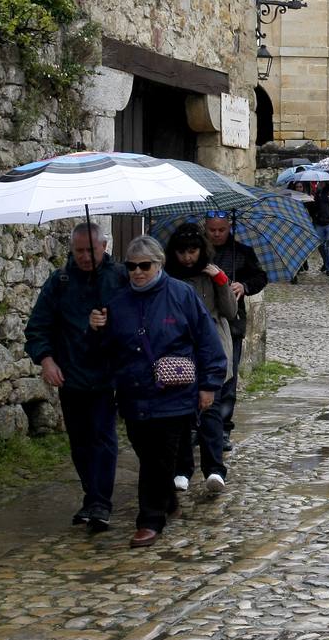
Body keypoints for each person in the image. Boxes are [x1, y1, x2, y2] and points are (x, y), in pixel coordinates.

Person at [99, 235, 227, 548]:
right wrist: (97, 328)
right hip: (134, 393)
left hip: (175, 393)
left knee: (158, 457)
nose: (138, 272)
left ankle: (149, 520)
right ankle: (167, 500)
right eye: (131, 266)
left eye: (145, 265)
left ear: (159, 264)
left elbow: (207, 341)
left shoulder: (182, 295)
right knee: (146, 452)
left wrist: (210, 384)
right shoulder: (117, 303)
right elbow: (107, 350)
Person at [23, 222, 130, 533]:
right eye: (79, 251)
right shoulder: (60, 282)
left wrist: (106, 325)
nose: (85, 257)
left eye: (90, 251)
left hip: (107, 374)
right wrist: (46, 360)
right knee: (80, 442)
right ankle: (90, 496)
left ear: (104, 247)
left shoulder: (120, 278)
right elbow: (38, 327)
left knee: (103, 437)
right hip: (71, 375)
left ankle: (100, 502)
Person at [163, 223, 237, 494]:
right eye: (182, 252)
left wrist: (221, 282)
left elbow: (230, 311)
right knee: (181, 413)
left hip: (211, 350)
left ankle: (215, 470)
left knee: (211, 411)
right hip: (179, 351)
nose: (188, 257)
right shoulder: (168, 277)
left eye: (192, 251)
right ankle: (182, 468)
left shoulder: (212, 275)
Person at [204, 213, 268, 452]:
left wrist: (244, 285)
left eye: (221, 230)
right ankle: (199, 426)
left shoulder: (242, 252)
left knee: (228, 376)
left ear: (228, 228)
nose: (217, 234)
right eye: (212, 230)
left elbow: (260, 277)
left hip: (232, 322)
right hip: (202, 320)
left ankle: (222, 428)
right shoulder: (197, 252)